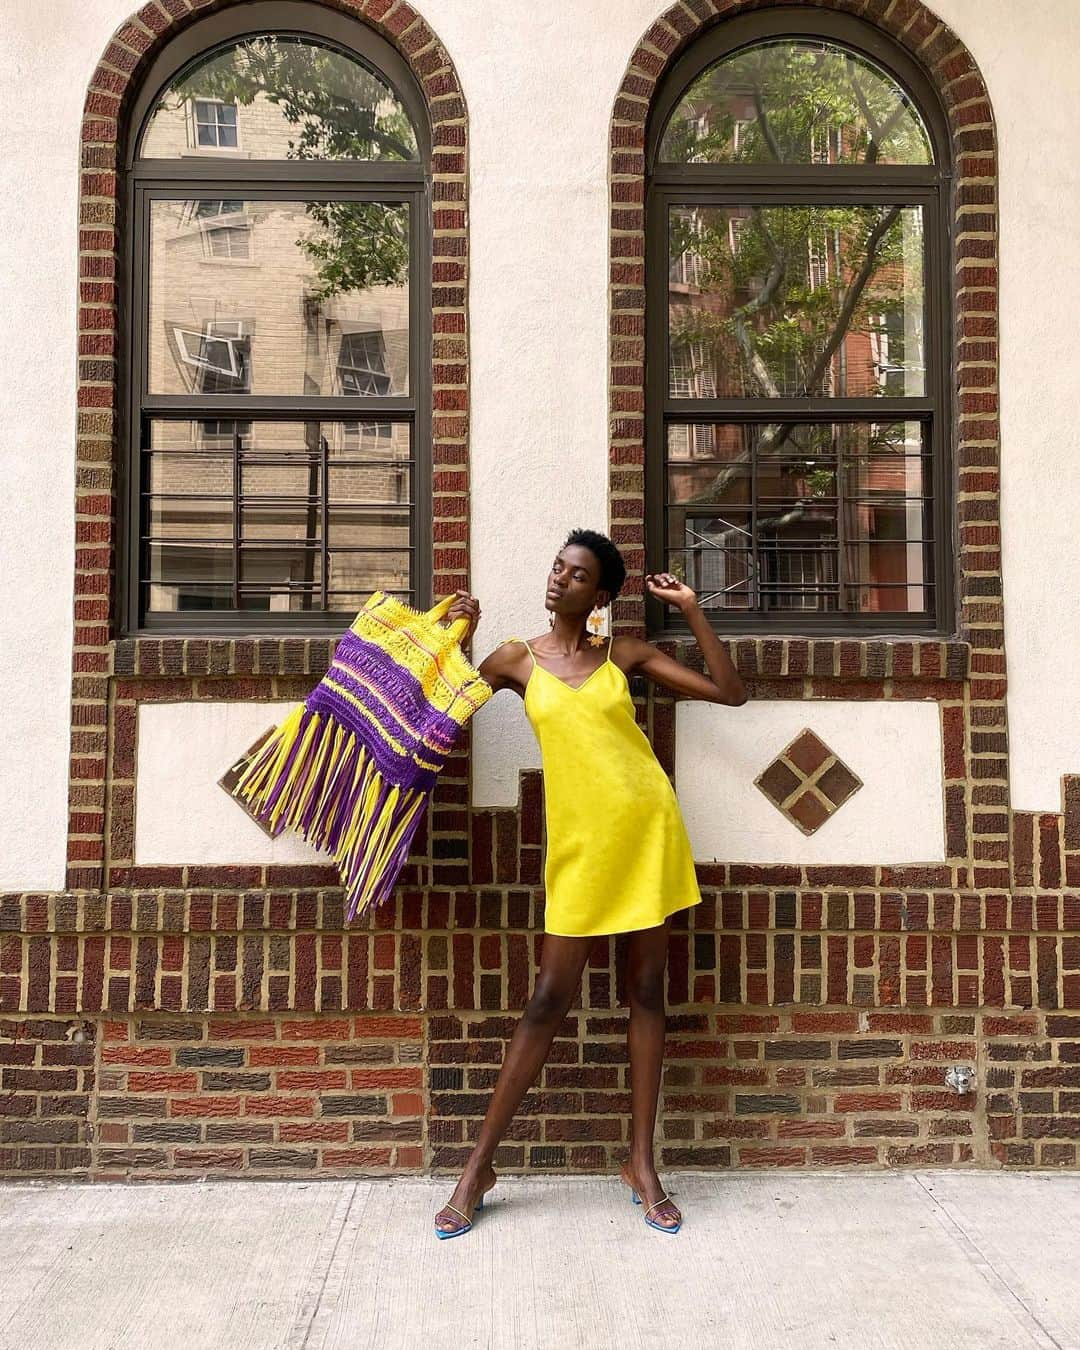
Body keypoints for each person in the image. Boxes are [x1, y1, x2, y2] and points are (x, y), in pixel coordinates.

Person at [432, 527, 747, 1238]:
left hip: (645, 831)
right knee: (547, 1000)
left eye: (575, 576)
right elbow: (443, 708)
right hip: (578, 849)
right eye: (556, 568)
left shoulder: (624, 654)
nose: (558, 580)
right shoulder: (515, 659)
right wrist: (457, 634)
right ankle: (480, 1166)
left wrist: (693, 609)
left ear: (600, 595)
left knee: (644, 992)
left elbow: (729, 693)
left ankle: (642, 1161)